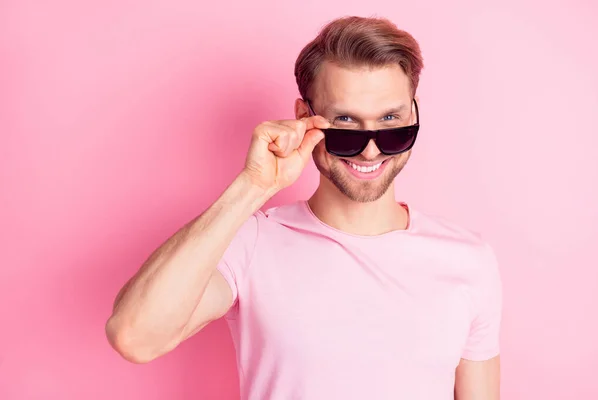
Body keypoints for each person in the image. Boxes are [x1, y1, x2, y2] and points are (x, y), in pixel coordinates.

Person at [105, 16, 502, 400]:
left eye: (391, 122)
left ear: (413, 115)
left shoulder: (469, 260)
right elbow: (135, 337)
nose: (370, 148)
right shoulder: (253, 243)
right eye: (345, 123)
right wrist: (253, 186)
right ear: (303, 118)